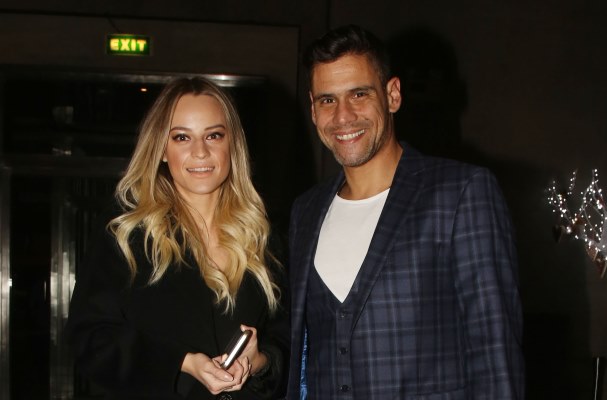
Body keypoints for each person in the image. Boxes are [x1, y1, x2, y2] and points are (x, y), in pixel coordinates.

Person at [287, 25, 524, 399]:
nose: (343, 116)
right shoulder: (306, 211)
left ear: (392, 95)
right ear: (314, 110)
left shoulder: (461, 192)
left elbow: (496, 357)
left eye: (359, 94)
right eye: (328, 100)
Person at [66, 77, 288, 400]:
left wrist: (260, 361)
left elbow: (287, 336)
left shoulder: (262, 235)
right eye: (182, 137)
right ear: (161, 150)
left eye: (213, 135)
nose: (200, 152)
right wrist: (181, 364)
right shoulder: (129, 233)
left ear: (232, 145)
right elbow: (90, 338)